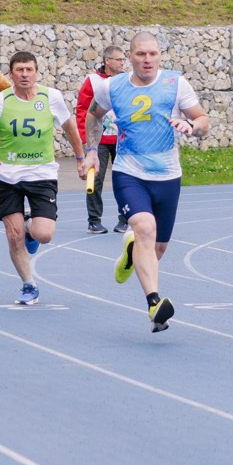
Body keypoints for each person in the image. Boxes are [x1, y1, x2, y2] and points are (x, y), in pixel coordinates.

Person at [86, 31, 208, 332]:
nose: (147, 59)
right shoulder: (112, 86)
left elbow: (204, 122)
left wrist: (191, 126)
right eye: (141, 54)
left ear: (160, 55)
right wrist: (91, 151)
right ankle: (154, 303)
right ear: (130, 57)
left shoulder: (175, 84)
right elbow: (93, 116)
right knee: (144, 227)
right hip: (129, 172)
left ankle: (131, 253)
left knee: (158, 248)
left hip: (167, 175)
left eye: (152, 54)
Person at [0, 50, 82, 306]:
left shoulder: (51, 97)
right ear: (11, 74)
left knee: (44, 234)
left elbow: (70, 127)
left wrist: (81, 157)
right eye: (19, 70)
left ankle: (30, 228)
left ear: (36, 72)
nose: (24, 74)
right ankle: (28, 284)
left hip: (42, 173)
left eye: (29, 70)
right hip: (8, 176)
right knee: (13, 235)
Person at [74, 45, 127, 231]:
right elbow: (82, 110)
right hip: (100, 141)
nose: (122, 63)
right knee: (95, 179)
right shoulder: (93, 80)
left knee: (125, 180)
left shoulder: (128, 80)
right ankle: (94, 220)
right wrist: (86, 140)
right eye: (119, 59)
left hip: (123, 140)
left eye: (123, 59)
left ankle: (125, 219)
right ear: (107, 61)